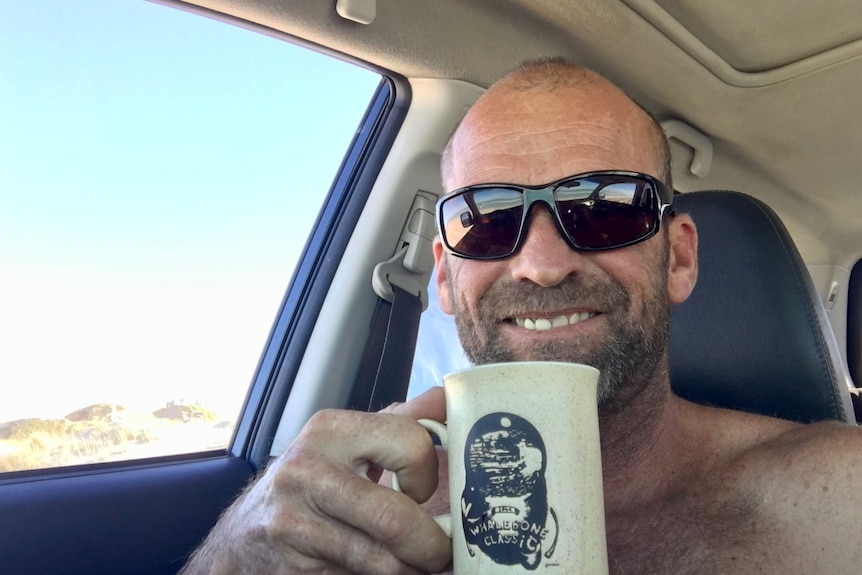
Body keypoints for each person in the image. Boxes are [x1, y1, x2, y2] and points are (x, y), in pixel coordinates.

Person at [181, 58, 862, 574]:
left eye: (605, 207)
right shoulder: (358, 514)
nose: (541, 264)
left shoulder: (835, 496)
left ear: (678, 258)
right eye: (488, 218)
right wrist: (242, 544)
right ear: (445, 278)